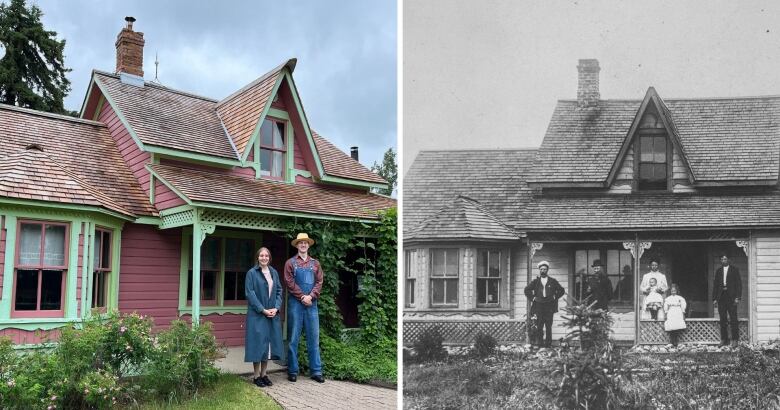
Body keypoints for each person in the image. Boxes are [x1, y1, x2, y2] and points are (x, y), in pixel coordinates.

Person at [284, 233, 325, 383]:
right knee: (294, 338)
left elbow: (319, 282)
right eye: (300, 243)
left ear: (308, 245)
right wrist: (302, 296)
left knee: (313, 338)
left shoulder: (316, 264)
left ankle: (316, 371)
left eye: (305, 243)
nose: (303, 245)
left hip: (312, 304)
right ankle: (293, 371)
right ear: (297, 245)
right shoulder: (290, 263)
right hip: (296, 303)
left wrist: (311, 296)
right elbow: (289, 282)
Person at [244, 247, 283, 387]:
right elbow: (250, 293)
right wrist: (262, 310)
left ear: (269, 258)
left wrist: (276, 308)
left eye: (266, 255)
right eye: (261, 255)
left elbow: (279, 290)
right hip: (257, 315)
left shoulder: (274, 273)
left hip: (272, 314)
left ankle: (264, 374)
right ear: (257, 257)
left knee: (268, 345)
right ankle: (256, 376)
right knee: (258, 344)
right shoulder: (251, 273)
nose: (264, 258)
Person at [524, 261, 565, 347]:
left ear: (547, 270)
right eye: (541, 269)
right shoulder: (536, 281)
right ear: (539, 270)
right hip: (539, 305)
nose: (543, 271)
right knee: (539, 325)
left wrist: (555, 297)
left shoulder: (552, 281)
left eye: (545, 269)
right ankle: (540, 344)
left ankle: (548, 344)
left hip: (549, 306)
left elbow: (562, 290)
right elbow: (527, 290)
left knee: (548, 326)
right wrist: (533, 298)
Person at [713, 254, 742, 347]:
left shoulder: (734, 270)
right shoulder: (718, 271)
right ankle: (724, 340)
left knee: (733, 319)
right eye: (721, 259)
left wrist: (737, 297)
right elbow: (715, 285)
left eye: (725, 259)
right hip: (721, 297)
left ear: (728, 260)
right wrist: (714, 298)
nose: (723, 260)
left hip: (731, 297)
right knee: (723, 319)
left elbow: (739, 284)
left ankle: (735, 340)